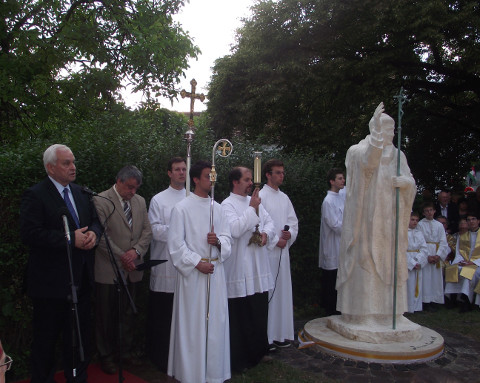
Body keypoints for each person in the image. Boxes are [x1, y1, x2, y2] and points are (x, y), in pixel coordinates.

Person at [19, 144, 102, 383]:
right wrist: (69, 239)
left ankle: (77, 377)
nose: (73, 167)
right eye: (66, 163)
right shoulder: (35, 194)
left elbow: (95, 221)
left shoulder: (80, 192)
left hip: (81, 280)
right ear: (50, 167)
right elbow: (30, 234)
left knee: (78, 337)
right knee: (46, 340)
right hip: (50, 284)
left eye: (73, 162)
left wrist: (94, 235)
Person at [336, 102, 416, 324]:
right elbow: (369, 160)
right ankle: (364, 314)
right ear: (374, 130)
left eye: (391, 130)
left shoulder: (399, 155)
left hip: (389, 221)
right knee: (367, 264)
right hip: (366, 222)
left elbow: (411, 181)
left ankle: (394, 314)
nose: (390, 134)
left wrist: (406, 183)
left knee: (392, 263)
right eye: (385, 129)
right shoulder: (357, 150)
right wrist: (376, 135)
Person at [167, 160, 232, 383]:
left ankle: (214, 374)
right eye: (207, 176)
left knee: (216, 323)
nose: (212, 180)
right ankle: (191, 374)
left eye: (213, 176)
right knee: (193, 326)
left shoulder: (219, 208)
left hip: (216, 272)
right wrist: (197, 262)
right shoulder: (182, 208)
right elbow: (176, 245)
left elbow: (228, 238)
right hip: (193, 276)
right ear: (195, 179)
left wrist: (219, 242)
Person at [93, 165, 152, 374]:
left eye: (136, 188)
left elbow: (147, 230)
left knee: (128, 314)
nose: (132, 192)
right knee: (106, 316)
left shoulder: (140, 201)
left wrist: (135, 252)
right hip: (108, 269)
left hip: (133, 268)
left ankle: (124, 353)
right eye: (129, 187)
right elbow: (100, 237)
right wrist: (122, 256)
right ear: (118, 181)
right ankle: (106, 356)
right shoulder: (101, 200)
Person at [221, 167, 275, 372]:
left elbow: (269, 222)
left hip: (257, 265)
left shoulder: (254, 202)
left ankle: (259, 352)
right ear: (235, 182)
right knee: (241, 314)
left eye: (251, 179)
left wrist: (266, 235)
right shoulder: (226, 205)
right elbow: (235, 230)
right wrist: (252, 209)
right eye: (246, 179)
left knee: (258, 311)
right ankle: (241, 357)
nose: (251, 183)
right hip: (239, 267)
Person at [146, 157, 186, 372]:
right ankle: (160, 357)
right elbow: (154, 230)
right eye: (177, 169)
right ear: (169, 173)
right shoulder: (158, 200)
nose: (181, 173)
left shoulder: (193, 198)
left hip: (188, 267)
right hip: (165, 265)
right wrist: (180, 229)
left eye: (184, 169)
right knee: (163, 316)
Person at [259, 159, 299, 348]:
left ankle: (281, 334)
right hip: (267, 253)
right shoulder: (261, 196)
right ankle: (266, 335)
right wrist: (276, 241)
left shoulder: (284, 198)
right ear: (268, 174)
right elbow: (259, 224)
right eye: (278, 172)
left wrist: (289, 234)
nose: (282, 175)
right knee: (268, 292)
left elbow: (293, 221)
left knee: (282, 292)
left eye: (283, 172)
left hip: (283, 254)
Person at [318, 168, 345, 316]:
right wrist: (350, 230)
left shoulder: (341, 196)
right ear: (332, 181)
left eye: (343, 178)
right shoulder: (328, 201)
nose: (343, 180)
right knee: (331, 278)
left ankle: (339, 306)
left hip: (342, 244)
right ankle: (330, 309)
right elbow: (334, 224)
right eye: (340, 178)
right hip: (333, 244)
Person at [444, 212, 480, 312]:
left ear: (478, 221)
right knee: (452, 269)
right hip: (465, 262)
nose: (471, 221)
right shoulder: (463, 236)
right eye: (468, 220)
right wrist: (460, 261)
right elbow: (458, 252)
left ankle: (466, 300)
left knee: (468, 273)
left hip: (477, 265)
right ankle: (451, 298)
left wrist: (473, 263)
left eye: (473, 219)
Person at [417, 202, 449, 311]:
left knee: (435, 278)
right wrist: (427, 256)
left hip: (436, 251)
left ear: (434, 211)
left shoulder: (439, 225)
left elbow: (443, 241)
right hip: (426, 251)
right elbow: (420, 241)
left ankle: (435, 300)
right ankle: (425, 301)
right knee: (426, 277)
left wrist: (438, 255)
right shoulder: (420, 224)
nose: (429, 212)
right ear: (423, 213)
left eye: (431, 210)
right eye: (427, 211)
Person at [406, 212, 429, 313]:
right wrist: (411, 263)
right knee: (408, 284)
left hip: (417, 259)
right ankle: (406, 307)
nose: (415, 222)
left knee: (417, 283)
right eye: (412, 220)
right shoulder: (403, 233)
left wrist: (418, 261)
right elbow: (401, 249)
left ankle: (416, 306)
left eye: (416, 220)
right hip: (407, 259)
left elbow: (424, 248)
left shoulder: (419, 233)